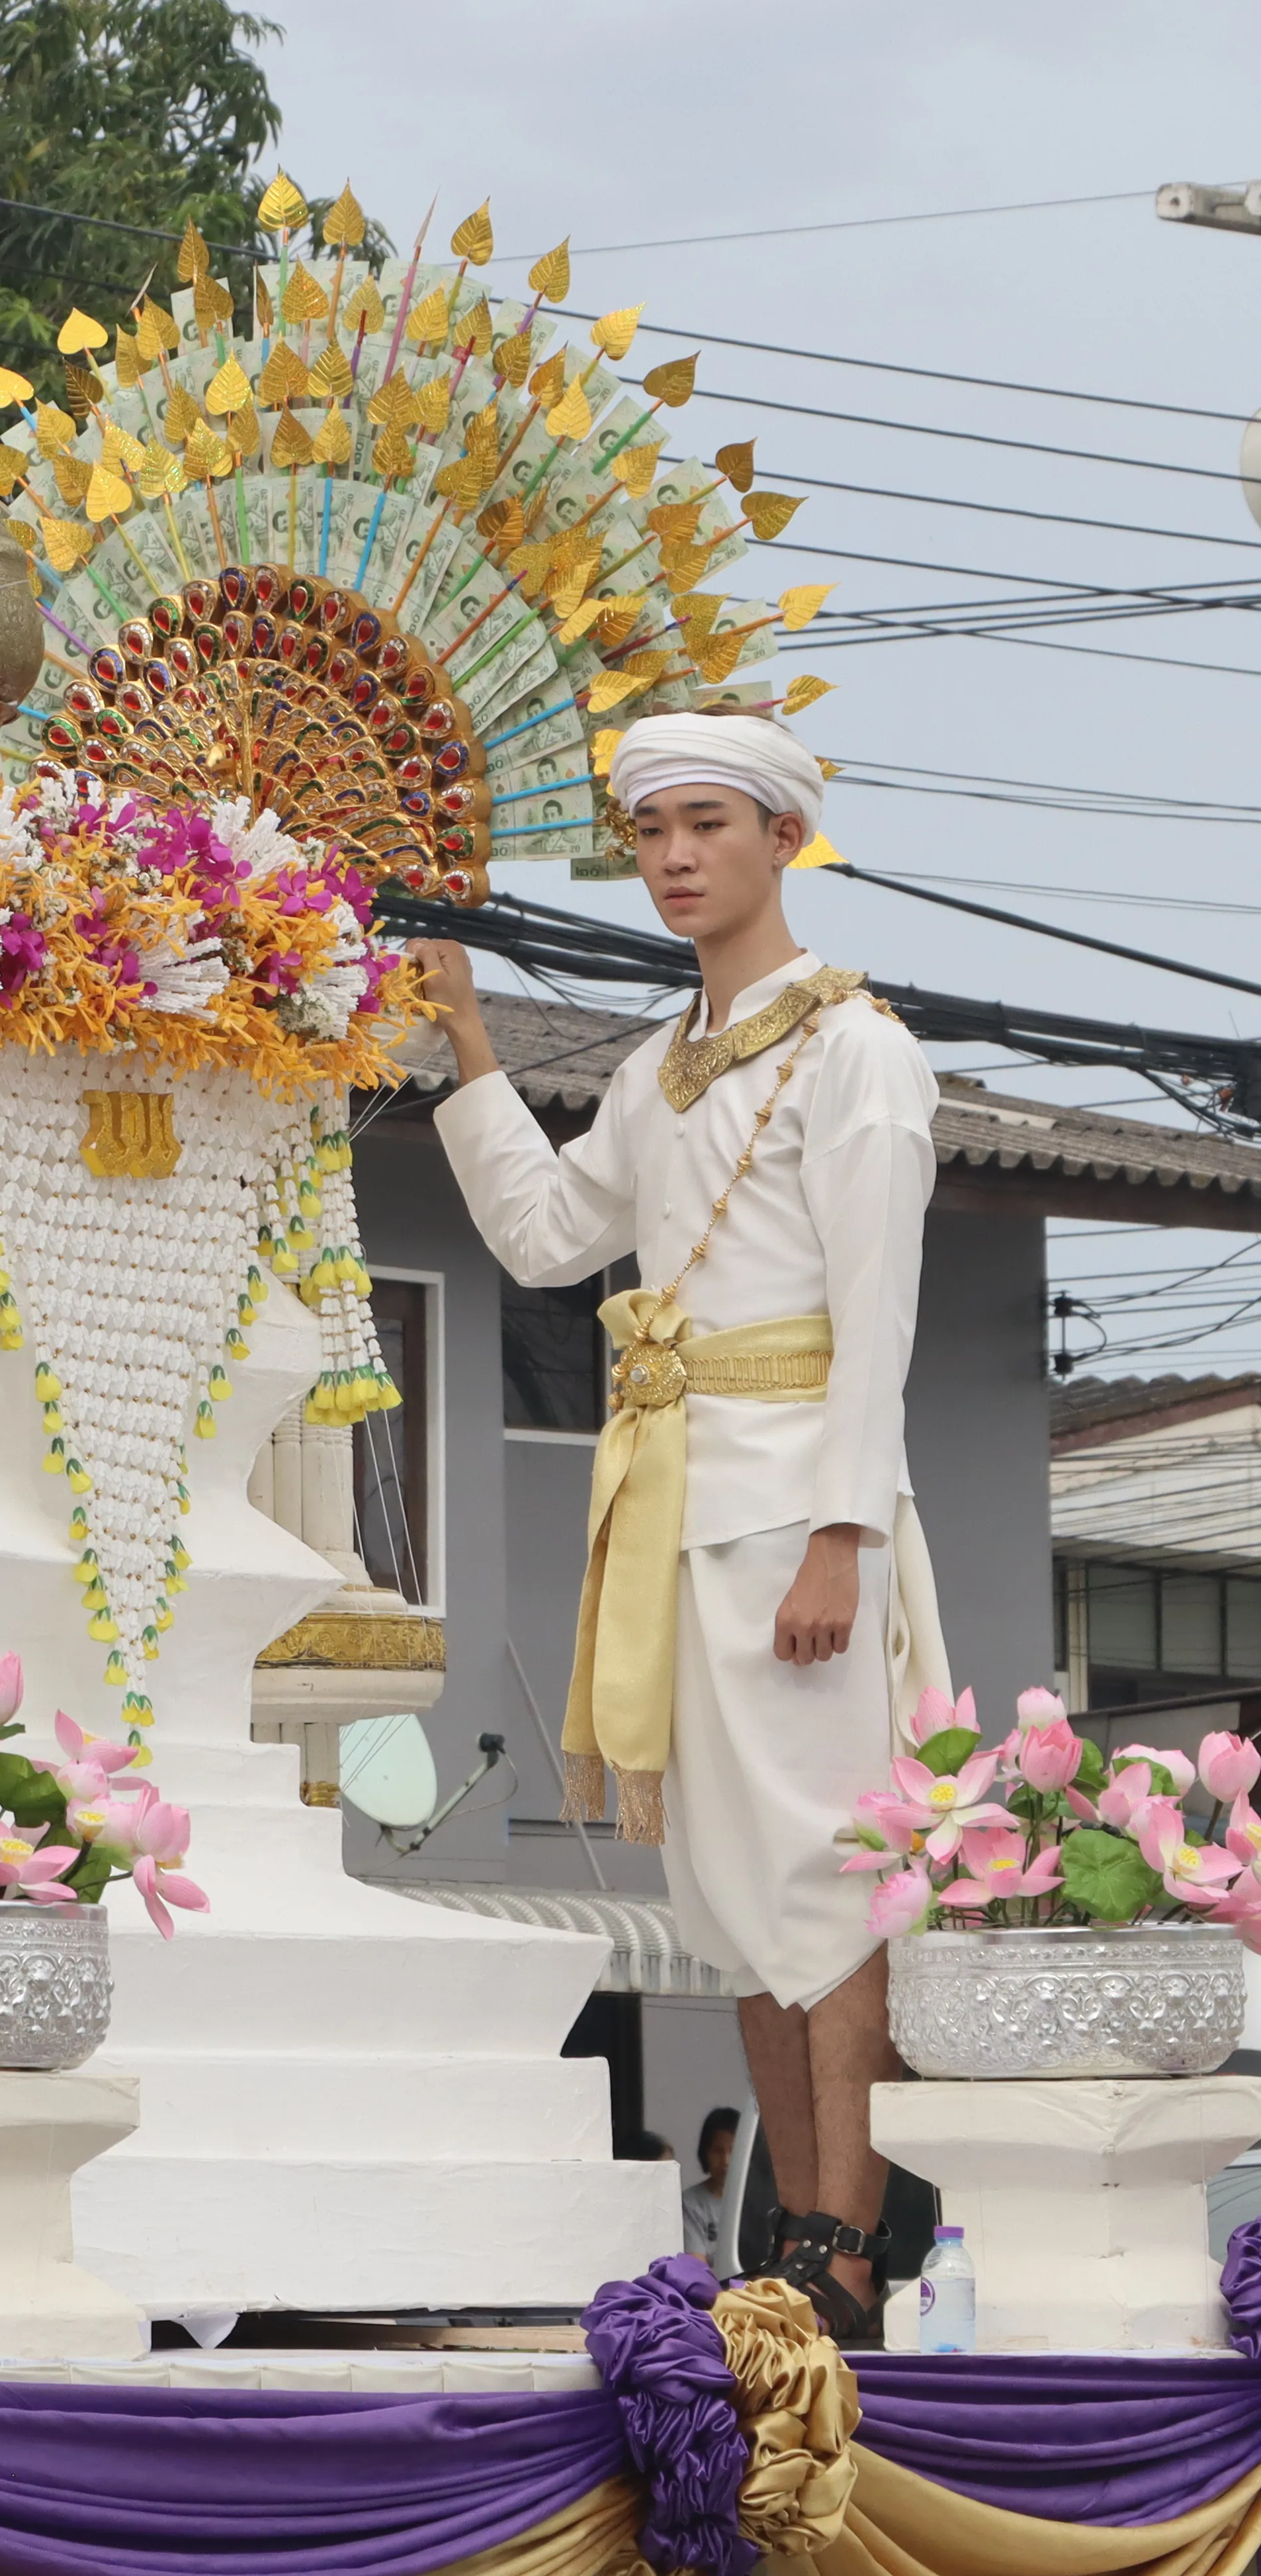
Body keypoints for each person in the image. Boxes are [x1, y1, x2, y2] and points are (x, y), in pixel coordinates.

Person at [415, 707, 945, 2343]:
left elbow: (880, 1310)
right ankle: (795, 2233)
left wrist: (841, 1535)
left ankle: (844, 2245)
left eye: (705, 823)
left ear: (785, 837)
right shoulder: (654, 1067)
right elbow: (545, 1234)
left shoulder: (857, 1047)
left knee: (824, 1883)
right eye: (648, 831)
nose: (671, 857)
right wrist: (468, 1039)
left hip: (799, 1514)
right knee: (728, 1901)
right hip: (668, 1512)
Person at [687, 2106, 743, 2262]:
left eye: (733, 2151)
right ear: (705, 2152)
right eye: (718, 2151)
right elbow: (698, 2267)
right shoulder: (691, 2204)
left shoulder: (762, 2201)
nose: (725, 2161)